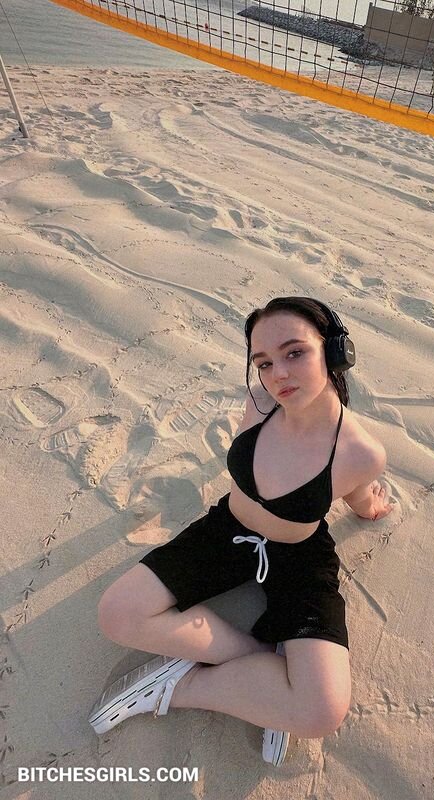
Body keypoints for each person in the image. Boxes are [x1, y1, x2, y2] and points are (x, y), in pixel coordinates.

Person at [89, 296, 394, 764]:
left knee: (320, 712)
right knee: (117, 614)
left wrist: (372, 508)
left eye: (295, 353)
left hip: (299, 555)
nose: (279, 374)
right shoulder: (260, 404)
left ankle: (180, 686)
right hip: (225, 532)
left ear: (335, 351)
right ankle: (264, 673)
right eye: (264, 362)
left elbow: (358, 495)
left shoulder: (360, 452)